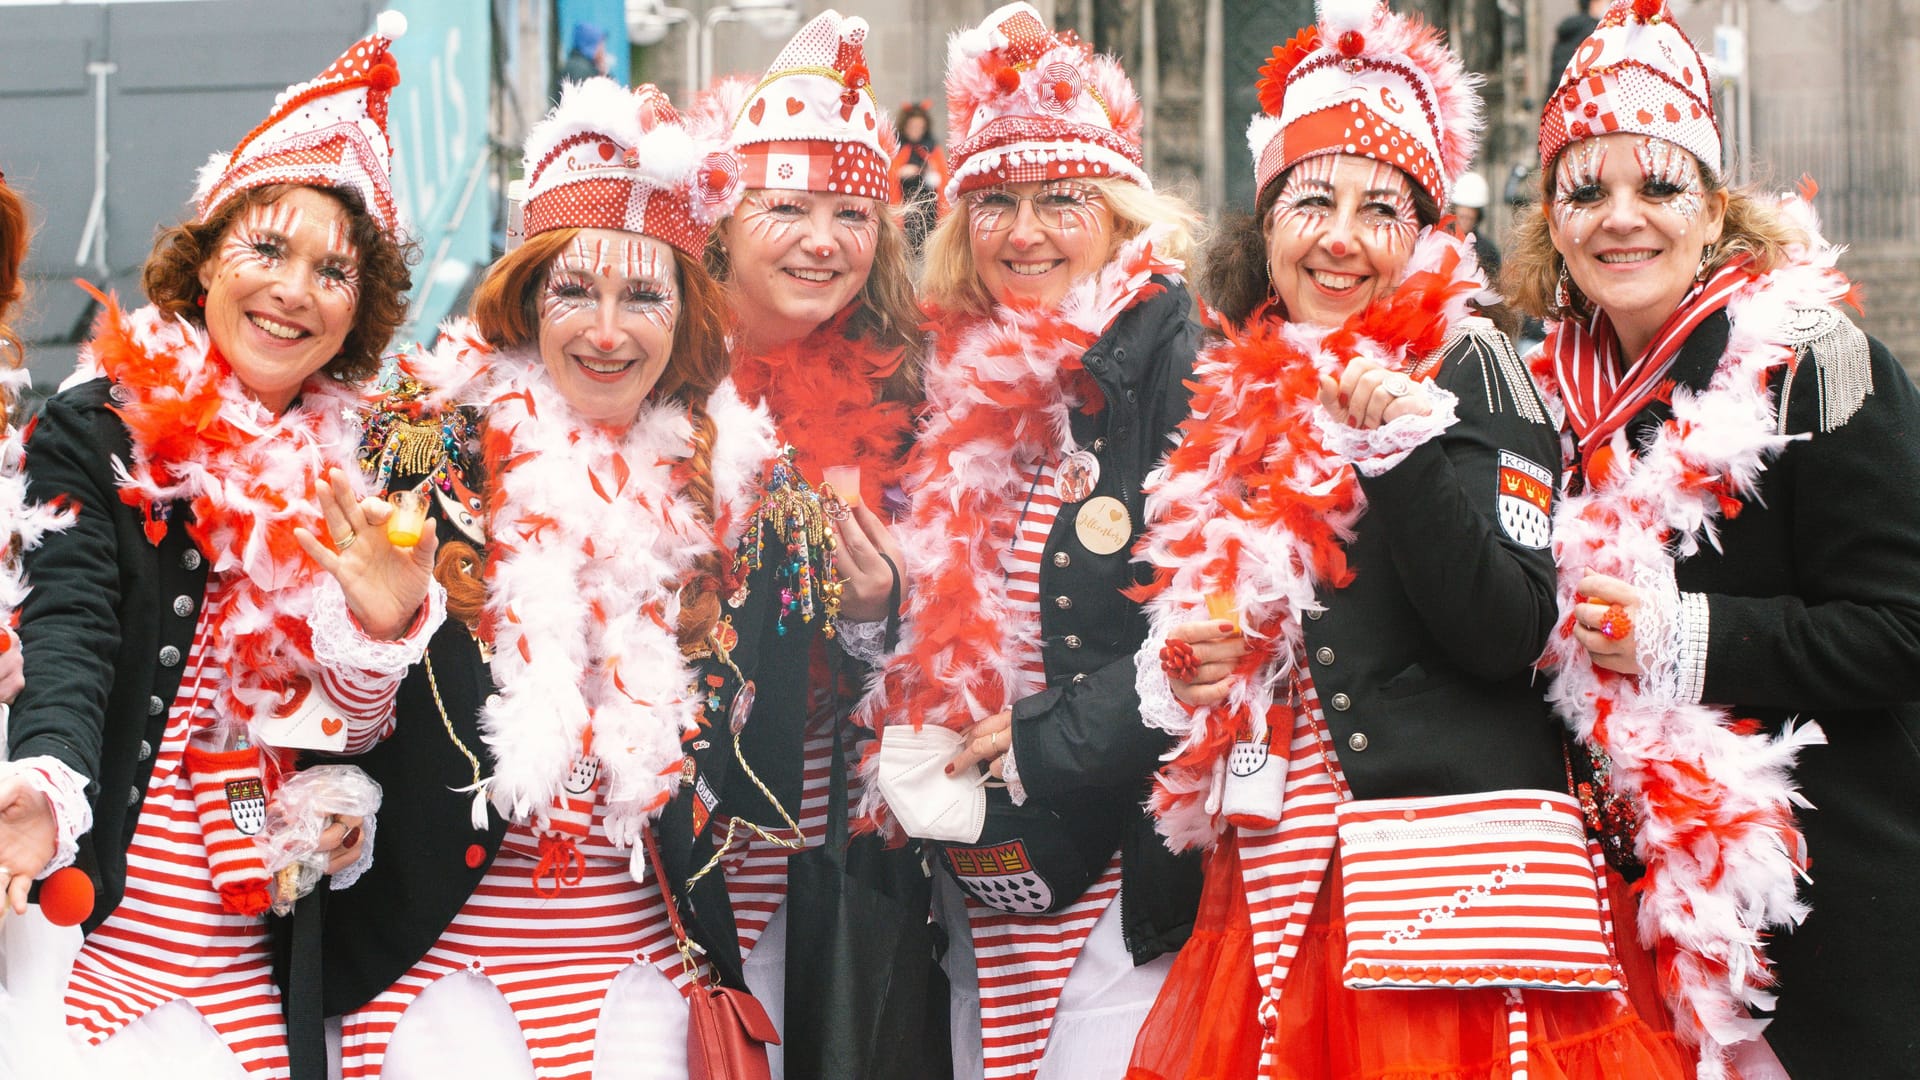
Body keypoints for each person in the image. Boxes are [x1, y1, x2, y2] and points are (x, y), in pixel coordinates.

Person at [1122, 2, 1693, 1077]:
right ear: (1266, 223)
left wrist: (1401, 452)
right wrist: (1197, 665)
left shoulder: (1472, 370)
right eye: (1312, 201)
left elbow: (1510, 627)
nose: (1341, 237)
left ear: (1425, 236)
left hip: (1445, 894)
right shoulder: (1245, 391)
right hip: (1279, 878)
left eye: (1381, 209)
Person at [320, 78, 842, 1080]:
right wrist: (376, 639)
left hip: (646, 982)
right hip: (436, 984)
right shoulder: (423, 458)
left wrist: (864, 612)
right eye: (575, 291)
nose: (608, 332)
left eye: (644, 295)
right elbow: (331, 720)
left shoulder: (740, 490)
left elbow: (791, 740)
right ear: (526, 297)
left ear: (685, 312)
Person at [0, 17, 433, 1080]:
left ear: (358, 312)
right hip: (91, 948)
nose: (293, 290)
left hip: (258, 963)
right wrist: (45, 784)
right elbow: (70, 626)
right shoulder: (100, 427)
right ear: (205, 263)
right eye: (267, 248)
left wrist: (380, 632)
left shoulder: (369, 471)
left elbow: (357, 729)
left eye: (334, 273)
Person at [1507, 1, 1920, 1076]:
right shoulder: (1537, 403)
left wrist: (1685, 637)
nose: (1620, 218)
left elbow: (1904, 629)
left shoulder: (1817, 370)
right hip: (1624, 944)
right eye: (1584, 189)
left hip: (1824, 943)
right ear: (1550, 220)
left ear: (1712, 206)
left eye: (1658, 184)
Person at [855, 5, 1205, 1077]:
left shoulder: (1176, 362)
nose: (1026, 232)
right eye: (997, 201)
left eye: (1063, 200)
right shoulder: (949, 373)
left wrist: (1041, 736)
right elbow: (945, 607)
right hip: (983, 867)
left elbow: (1218, 631)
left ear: (1118, 213)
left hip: (1125, 868)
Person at [695, 12, 940, 1076]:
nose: (824, 239)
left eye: (852, 212)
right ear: (717, 222)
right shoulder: (635, 362)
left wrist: (884, 611)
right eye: (785, 206)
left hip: (820, 864)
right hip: (652, 854)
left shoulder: (913, 393)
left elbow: (940, 665)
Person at [890, 101, 950, 255]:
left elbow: (943, 179)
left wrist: (930, 171)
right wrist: (900, 173)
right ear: (905, 126)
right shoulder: (897, 148)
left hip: (929, 211)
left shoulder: (932, 148)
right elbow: (889, 176)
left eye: (920, 127)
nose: (916, 131)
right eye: (913, 127)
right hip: (904, 210)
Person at [1447, 170, 1501, 284]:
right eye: (1462, 216)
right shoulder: (1439, 244)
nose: (1465, 219)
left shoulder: (1488, 251)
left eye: (1469, 217)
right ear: (1454, 212)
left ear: (1478, 215)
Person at [1546, 0, 1603, 102]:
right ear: (1595, 2)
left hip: (1558, 98)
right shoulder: (1596, 32)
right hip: (1583, 100)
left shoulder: (1567, 31)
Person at [560, 22, 611, 86]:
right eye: (601, 45)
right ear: (591, 45)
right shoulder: (580, 69)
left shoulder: (584, 65)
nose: (603, 50)